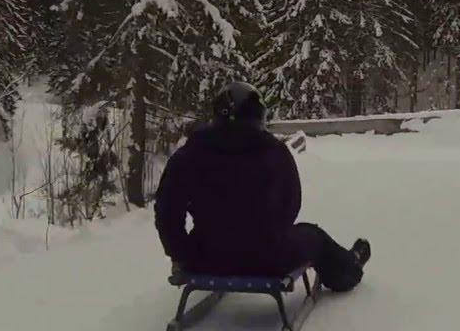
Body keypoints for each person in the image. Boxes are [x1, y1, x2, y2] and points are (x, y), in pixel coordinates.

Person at [154, 81, 370, 292]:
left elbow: (167, 210)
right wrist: (270, 236)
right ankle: (348, 268)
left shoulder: (190, 154)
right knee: (314, 236)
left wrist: (181, 254)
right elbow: (291, 204)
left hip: (206, 258)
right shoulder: (274, 151)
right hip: (269, 260)